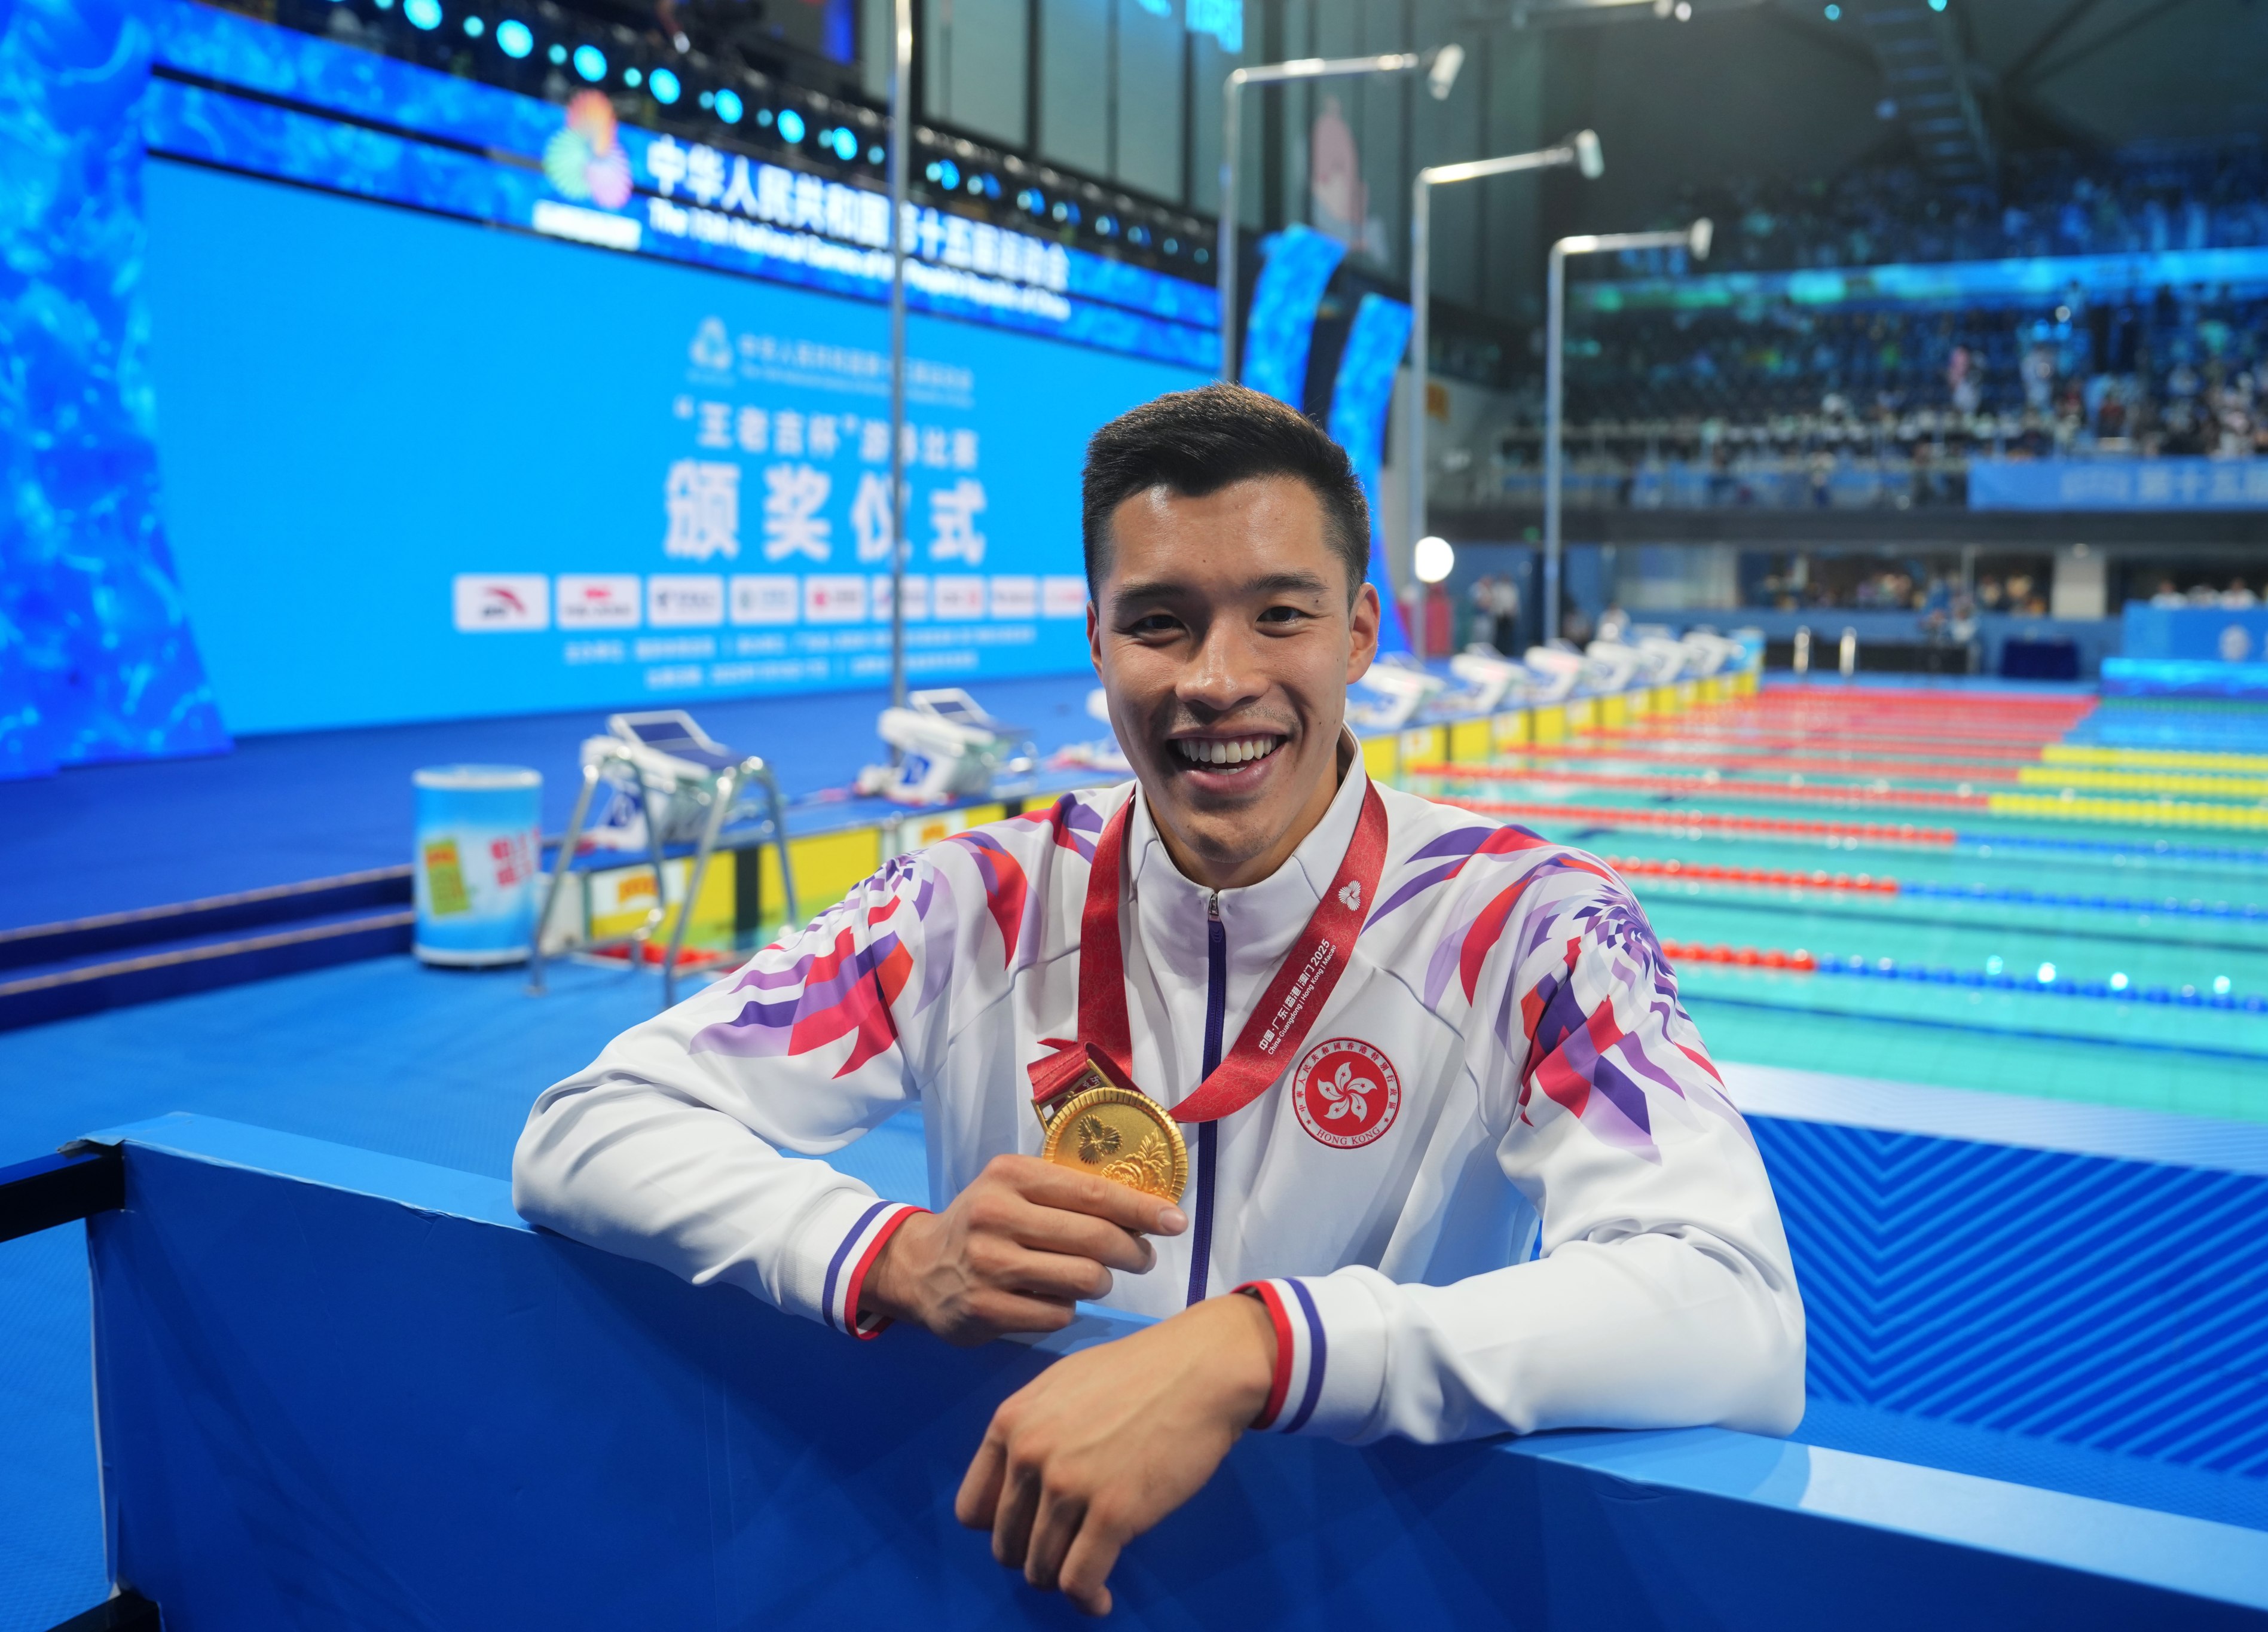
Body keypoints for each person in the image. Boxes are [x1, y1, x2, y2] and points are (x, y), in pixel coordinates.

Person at [512, 384, 1804, 1616]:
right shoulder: (972, 901)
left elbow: (1732, 1309)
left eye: (1278, 617)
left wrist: (1264, 1349)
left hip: (1357, 1583)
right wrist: (893, 1254)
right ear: (1096, 641)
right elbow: (589, 1125)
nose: (1214, 680)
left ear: (1360, 630)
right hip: (1027, 1581)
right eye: (1160, 622)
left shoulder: (1523, 928)